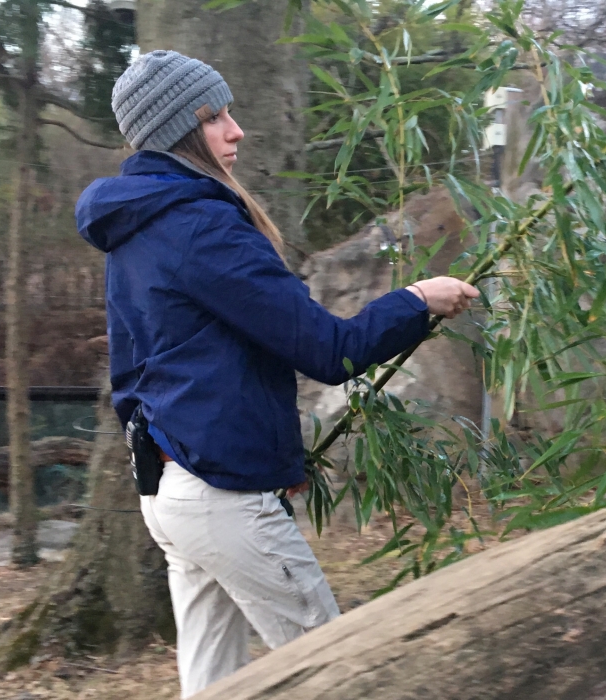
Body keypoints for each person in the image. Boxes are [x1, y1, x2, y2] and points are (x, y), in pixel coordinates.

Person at [75, 50, 478, 697]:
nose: (236, 131)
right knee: (339, 672)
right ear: (177, 131)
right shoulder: (200, 225)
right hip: (217, 494)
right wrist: (416, 301)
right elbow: (326, 349)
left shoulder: (138, 226)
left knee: (215, 686)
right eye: (215, 118)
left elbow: (139, 374)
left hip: (171, 488)